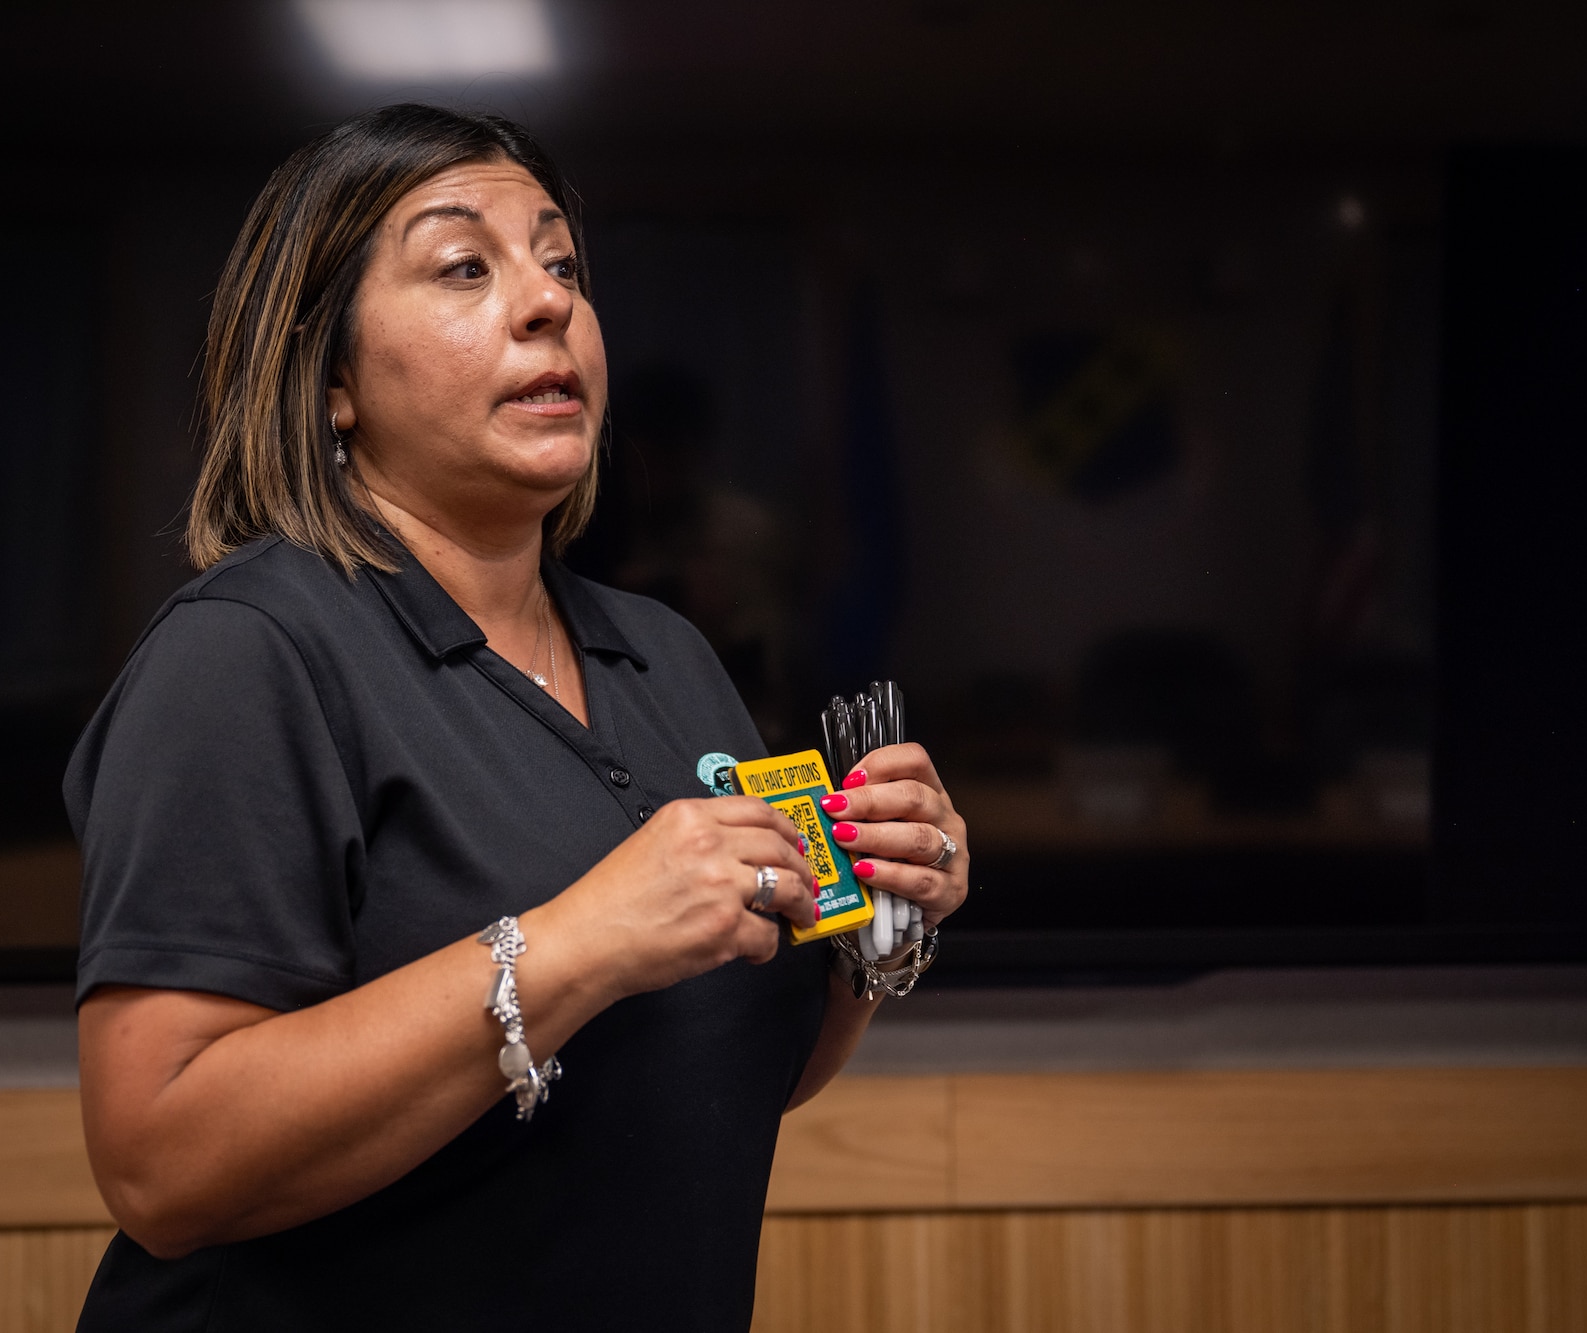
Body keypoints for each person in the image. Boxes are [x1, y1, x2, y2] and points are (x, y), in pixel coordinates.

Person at [67, 104, 971, 1331]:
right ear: (329, 379)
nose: (546, 302)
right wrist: (580, 940)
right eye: (463, 265)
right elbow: (157, 1163)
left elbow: (717, 1074)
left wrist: (871, 926)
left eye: (559, 264)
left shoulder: (666, 655)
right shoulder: (246, 652)